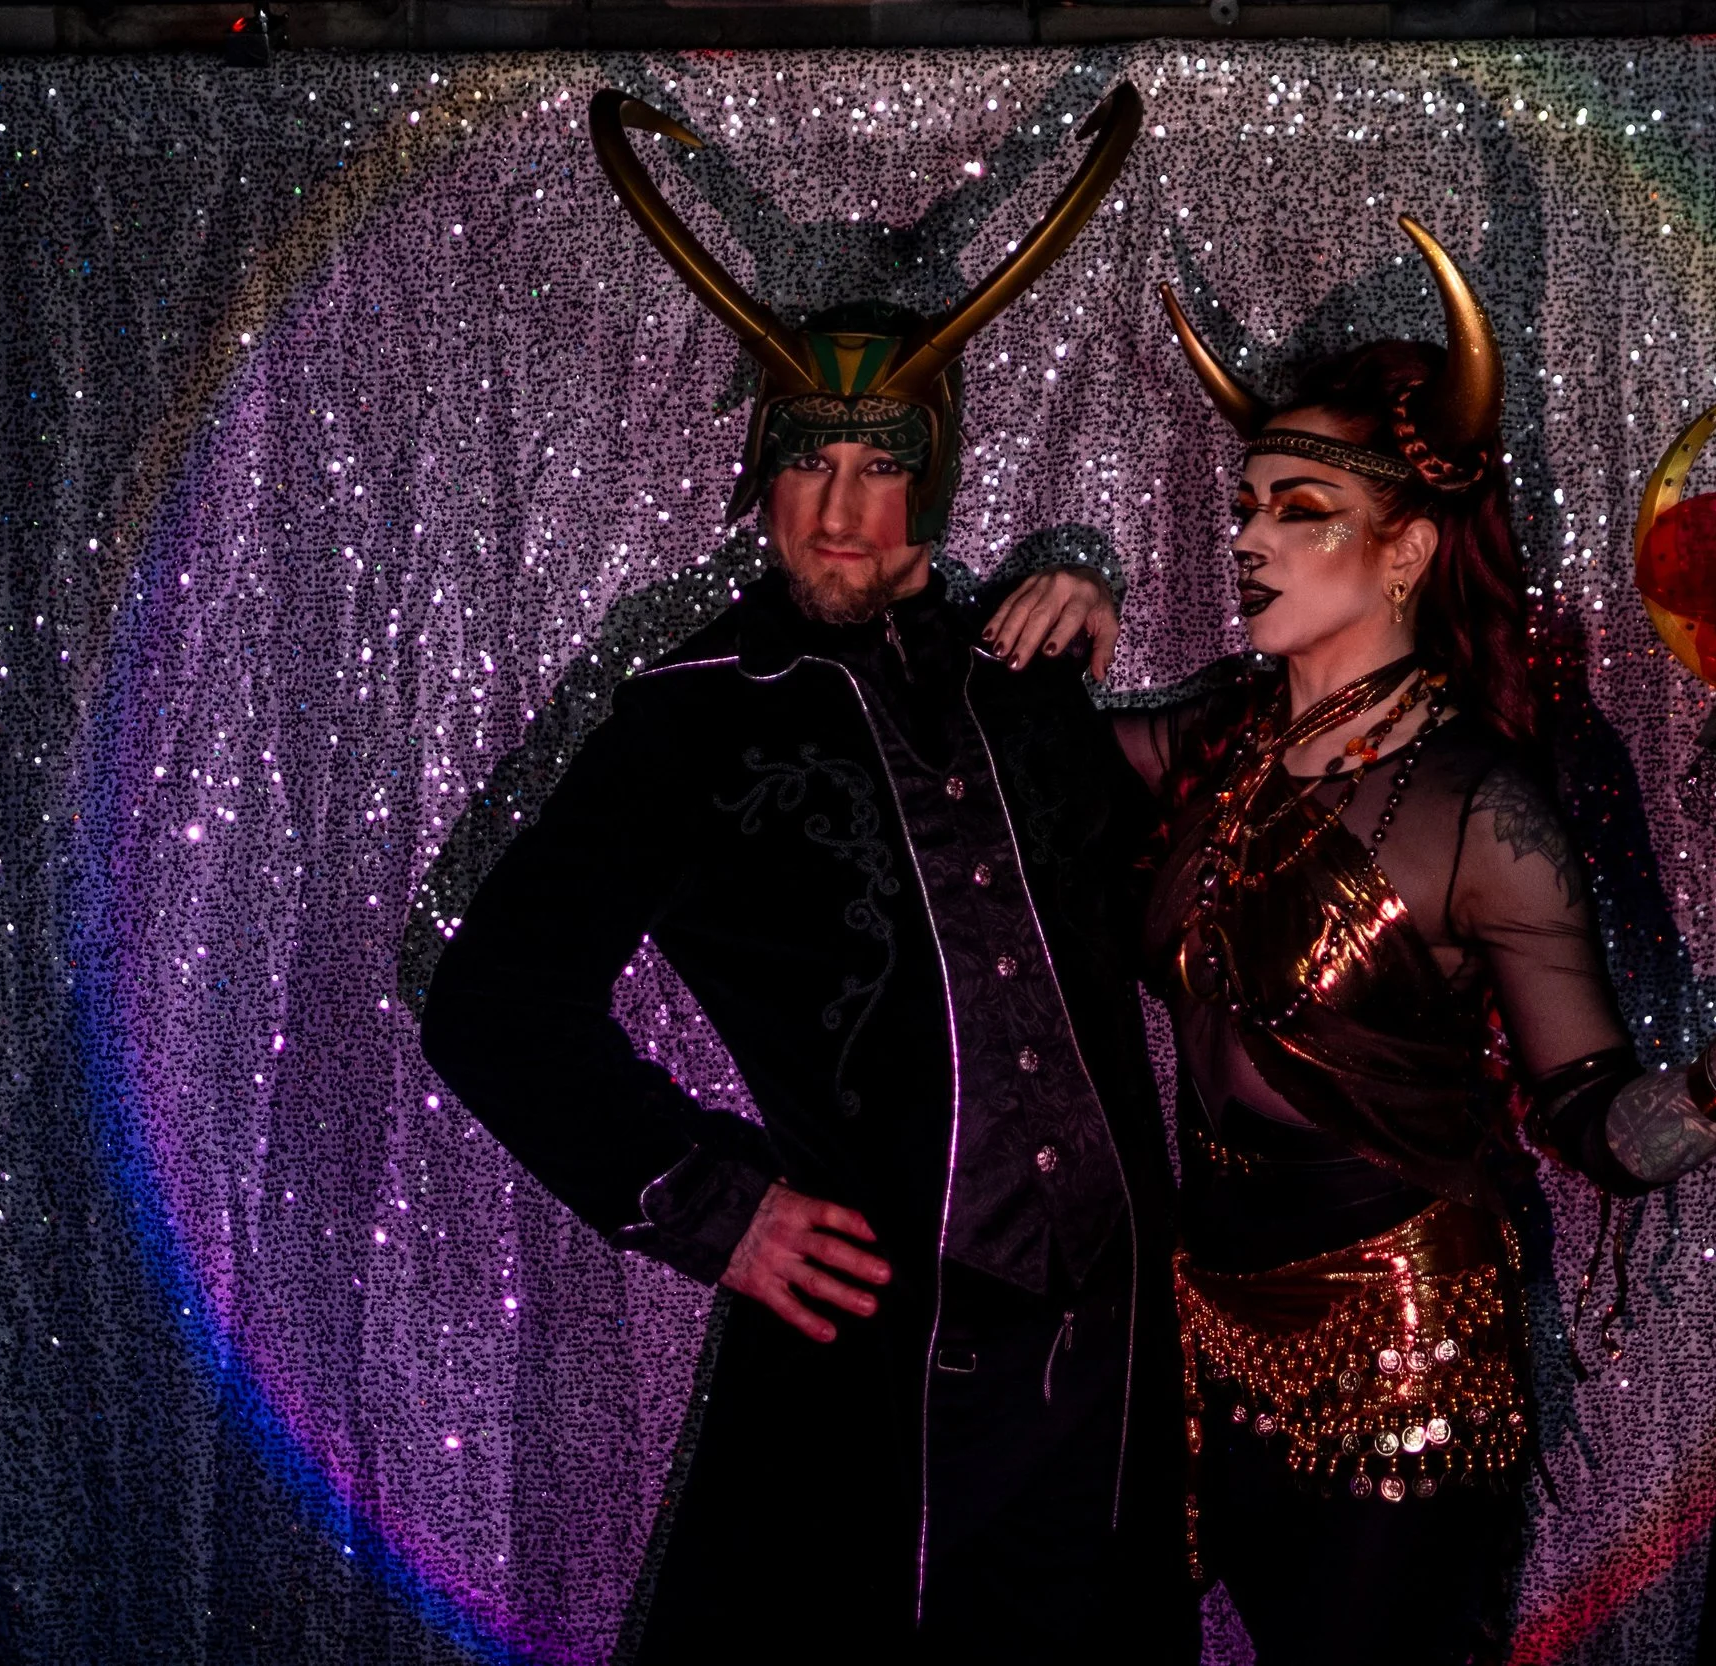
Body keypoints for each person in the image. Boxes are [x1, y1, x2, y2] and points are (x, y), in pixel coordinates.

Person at [980, 219, 1716, 1666]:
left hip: (1400, 1358)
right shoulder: (1217, 741)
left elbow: (1599, 1127)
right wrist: (1053, 603)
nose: (1249, 538)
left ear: (1406, 548)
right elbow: (998, 757)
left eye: (1301, 509)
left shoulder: (1480, 810)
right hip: (1200, 1333)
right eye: (1248, 505)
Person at [419, 86, 1197, 1664]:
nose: (838, 510)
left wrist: (1091, 601)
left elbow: (1190, 887)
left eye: (880, 461)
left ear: (938, 473)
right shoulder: (692, 716)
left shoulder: (1024, 675)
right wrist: (714, 1203)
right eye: (807, 458)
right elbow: (493, 1002)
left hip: (1115, 1373)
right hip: (883, 1378)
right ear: (761, 472)